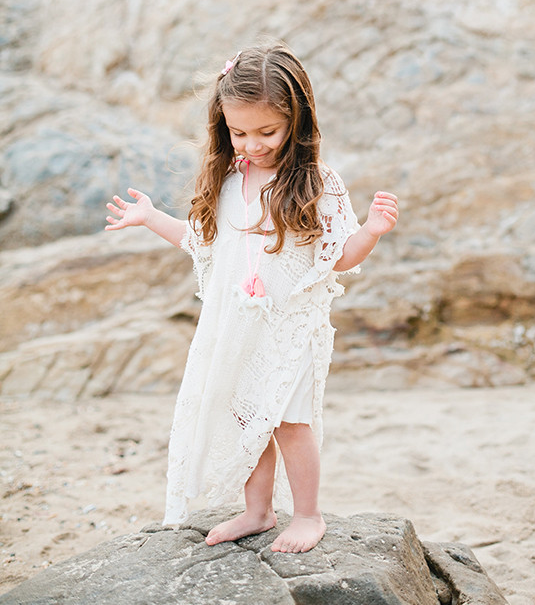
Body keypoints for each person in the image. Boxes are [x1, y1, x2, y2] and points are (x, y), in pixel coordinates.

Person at [105, 44, 398, 554]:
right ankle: (258, 511)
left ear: (297, 121)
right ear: (223, 126)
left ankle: (307, 515)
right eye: (239, 132)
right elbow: (201, 242)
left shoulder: (316, 182)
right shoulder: (226, 180)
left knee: (290, 421)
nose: (253, 144)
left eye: (267, 132)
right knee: (247, 418)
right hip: (237, 328)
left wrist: (371, 231)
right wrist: (151, 217)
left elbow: (339, 255)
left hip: (289, 328)